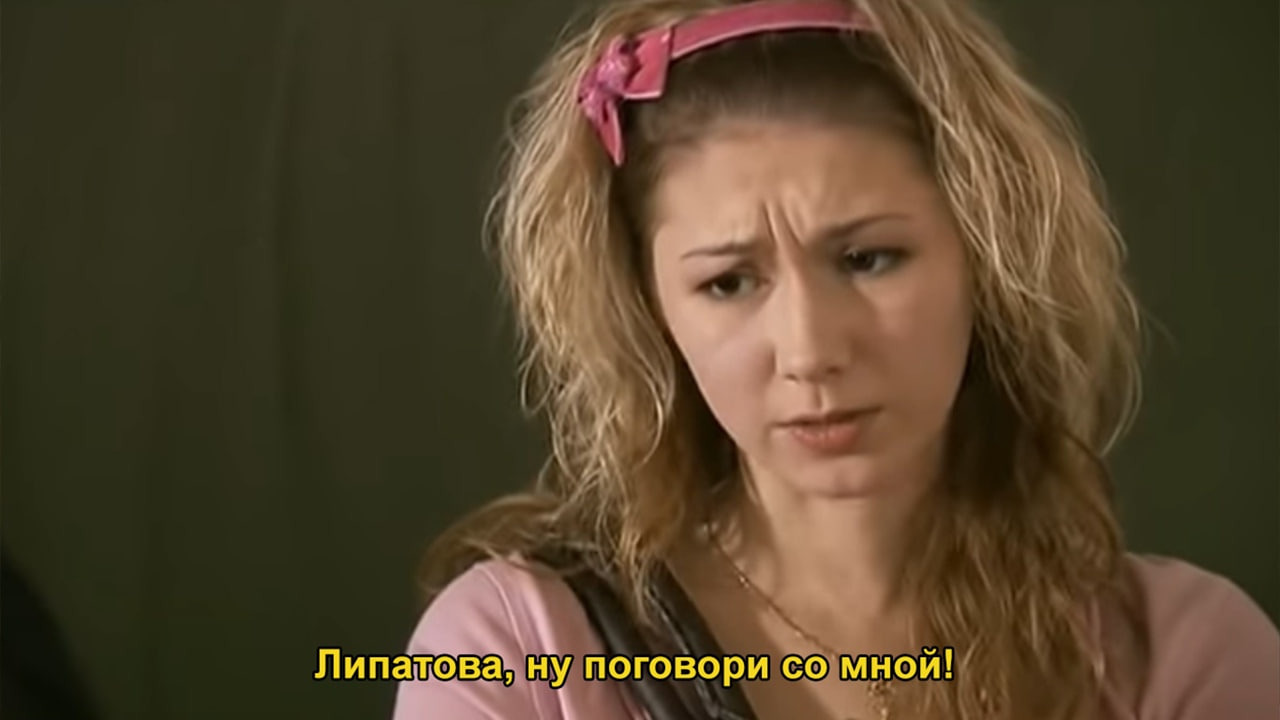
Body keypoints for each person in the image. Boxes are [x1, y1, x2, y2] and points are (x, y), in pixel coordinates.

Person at [392, 0, 1280, 718]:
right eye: (729, 283)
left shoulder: (1183, 660)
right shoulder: (518, 655)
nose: (811, 351)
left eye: (868, 259)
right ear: (651, 312)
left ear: (987, 258)